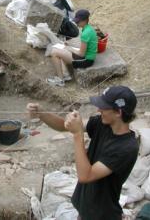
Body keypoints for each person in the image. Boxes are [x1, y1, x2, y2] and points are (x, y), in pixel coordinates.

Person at [27, 85, 139, 220]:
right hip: (87, 208)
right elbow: (64, 126)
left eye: (103, 106)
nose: (98, 109)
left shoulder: (126, 148)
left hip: (102, 215)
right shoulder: (102, 123)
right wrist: (42, 114)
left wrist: (78, 134)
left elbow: (86, 175)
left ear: (118, 112)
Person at [47, 9, 97, 87]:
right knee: (62, 49)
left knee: (54, 52)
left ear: (85, 20)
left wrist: (70, 48)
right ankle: (65, 75)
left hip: (86, 61)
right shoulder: (89, 29)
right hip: (88, 56)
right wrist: (70, 46)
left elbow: (81, 53)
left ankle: (60, 80)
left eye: (78, 21)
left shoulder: (85, 33)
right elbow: (85, 46)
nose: (77, 23)